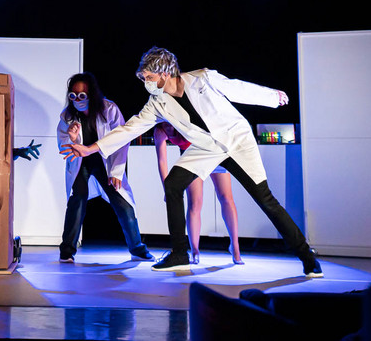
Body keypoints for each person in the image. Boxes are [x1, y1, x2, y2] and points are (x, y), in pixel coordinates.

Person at [61, 47, 323, 277]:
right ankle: (179, 254)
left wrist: (271, 97)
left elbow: (237, 88)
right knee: (173, 184)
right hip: (206, 148)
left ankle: (307, 258)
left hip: (237, 141)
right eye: (143, 79)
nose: (145, 83)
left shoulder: (203, 78)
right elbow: (130, 128)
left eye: (149, 77)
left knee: (265, 199)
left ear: (164, 73)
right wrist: (90, 148)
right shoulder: (157, 103)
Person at [56, 72, 153, 263]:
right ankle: (67, 250)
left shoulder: (109, 109)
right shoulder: (67, 116)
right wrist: (72, 139)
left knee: (122, 204)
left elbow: (121, 140)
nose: (77, 100)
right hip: (82, 163)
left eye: (82, 95)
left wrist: (116, 172)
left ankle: (137, 248)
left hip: (105, 162)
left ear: (92, 94)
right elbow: (64, 146)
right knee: (77, 200)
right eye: (73, 96)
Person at [154, 122, 243, 265]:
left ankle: (235, 247)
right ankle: (195, 251)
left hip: (213, 151)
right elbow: (162, 161)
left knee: (226, 197)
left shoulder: (180, 118)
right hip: (192, 158)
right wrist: (168, 189)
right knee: (195, 203)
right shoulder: (160, 131)